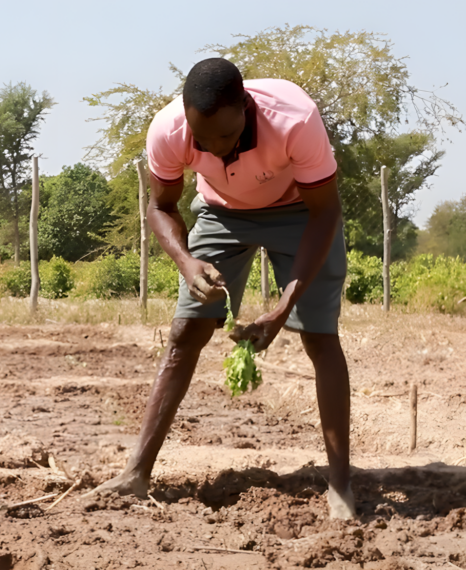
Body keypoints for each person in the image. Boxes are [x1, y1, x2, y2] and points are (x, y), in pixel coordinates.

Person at [91, 58, 354, 519]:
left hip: (300, 212)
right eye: (202, 138)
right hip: (221, 212)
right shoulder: (168, 129)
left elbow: (325, 213)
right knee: (185, 333)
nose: (213, 148)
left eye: (225, 137)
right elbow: (162, 206)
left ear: (247, 110)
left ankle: (341, 485)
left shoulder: (294, 119)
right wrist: (187, 260)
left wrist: (282, 307)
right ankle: (137, 472)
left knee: (318, 335)